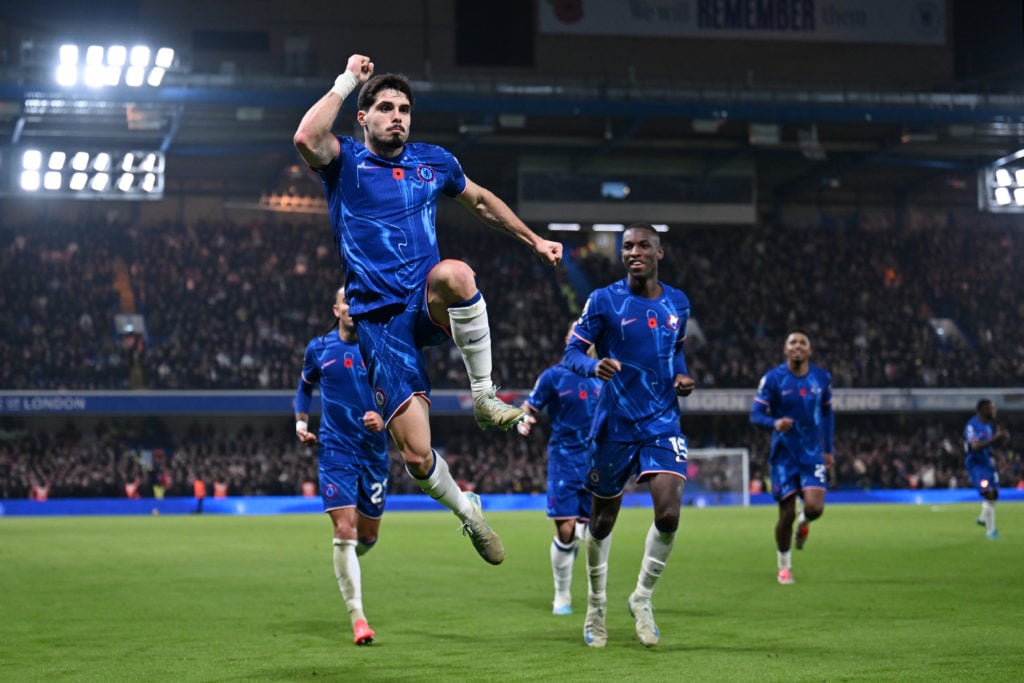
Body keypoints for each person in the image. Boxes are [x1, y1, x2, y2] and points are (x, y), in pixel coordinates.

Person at [294, 54, 563, 565]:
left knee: (457, 274)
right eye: (387, 107)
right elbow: (306, 138)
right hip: (379, 323)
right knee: (417, 455)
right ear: (363, 116)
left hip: (424, 301)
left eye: (405, 109)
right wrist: (349, 80)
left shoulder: (433, 162)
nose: (398, 116)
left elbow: (481, 201)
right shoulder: (344, 162)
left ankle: (484, 396)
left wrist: (533, 240)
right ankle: (468, 512)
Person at [562, 223, 695, 649]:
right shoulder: (603, 300)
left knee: (669, 515)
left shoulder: (679, 302)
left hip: (661, 420)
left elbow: (675, 348)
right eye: (627, 247)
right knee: (601, 521)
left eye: (642, 246)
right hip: (614, 422)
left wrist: (681, 374)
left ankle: (642, 596)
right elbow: (571, 351)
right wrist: (591, 366)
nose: (633, 252)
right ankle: (596, 605)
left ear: (660, 252)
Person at [295, 287, 390, 645]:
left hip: (374, 454)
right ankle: (359, 619)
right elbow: (305, 387)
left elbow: (399, 394)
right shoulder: (318, 349)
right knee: (345, 530)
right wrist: (302, 423)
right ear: (336, 309)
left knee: (366, 536)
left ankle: (347, 559)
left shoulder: (379, 346)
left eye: (358, 301)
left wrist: (383, 417)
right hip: (335, 450)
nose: (353, 307)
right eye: (347, 301)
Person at [517, 322, 603, 616]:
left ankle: (596, 597)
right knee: (566, 529)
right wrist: (523, 420)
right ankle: (562, 595)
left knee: (594, 534)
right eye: (575, 332)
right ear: (569, 340)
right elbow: (529, 407)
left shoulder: (604, 378)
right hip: (564, 461)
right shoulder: (553, 376)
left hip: (597, 463)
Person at [749, 330, 834, 586]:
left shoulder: (822, 378)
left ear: (809, 350)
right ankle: (784, 567)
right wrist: (774, 422)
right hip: (784, 457)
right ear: (786, 350)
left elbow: (828, 414)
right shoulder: (773, 379)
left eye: (802, 343)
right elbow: (755, 414)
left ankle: (804, 521)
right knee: (784, 515)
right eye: (792, 342)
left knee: (815, 508)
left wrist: (828, 448)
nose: (797, 346)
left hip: (811, 454)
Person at [963, 398, 1009, 540]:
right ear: (983, 409)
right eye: (991, 408)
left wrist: (998, 455)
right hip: (976, 466)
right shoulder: (972, 425)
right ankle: (991, 531)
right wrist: (996, 438)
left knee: (994, 493)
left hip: (987, 464)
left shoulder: (987, 425)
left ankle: (983, 518)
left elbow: (986, 447)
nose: (994, 410)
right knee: (988, 494)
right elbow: (975, 447)